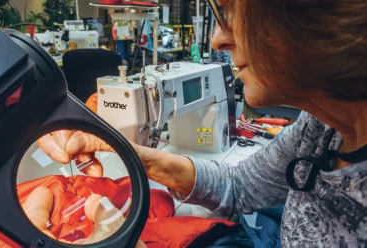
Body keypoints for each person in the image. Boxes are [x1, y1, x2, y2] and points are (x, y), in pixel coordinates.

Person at [37, 0, 367, 247]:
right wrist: (132, 152)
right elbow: (240, 186)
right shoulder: (322, 128)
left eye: (230, 13)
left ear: (315, 18)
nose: (218, 40)